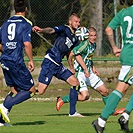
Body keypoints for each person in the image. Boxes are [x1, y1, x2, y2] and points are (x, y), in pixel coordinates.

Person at [56, 27, 124, 116]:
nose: (93, 37)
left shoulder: (93, 45)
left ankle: (111, 111)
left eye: (95, 35)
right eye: (91, 35)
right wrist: (73, 68)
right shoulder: (84, 45)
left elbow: (88, 57)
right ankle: (63, 99)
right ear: (88, 36)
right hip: (81, 73)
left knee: (105, 91)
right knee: (85, 96)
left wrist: (93, 68)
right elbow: (75, 55)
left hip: (89, 73)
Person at [32, 13, 88, 117]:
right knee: (40, 91)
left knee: (75, 82)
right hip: (50, 61)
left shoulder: (75, 39)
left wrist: (71, 67)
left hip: (58, 64)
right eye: (76, 21)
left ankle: (72, 112)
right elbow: (51, 30)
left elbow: (69, 54)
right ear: (70, 22)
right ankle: (22, 90)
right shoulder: (64, 29)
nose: (78, 24)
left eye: (79, 22)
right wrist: (41, 30)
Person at [92, 5, 133, 133]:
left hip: (127, 51)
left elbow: (109, 29)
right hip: (132, 55)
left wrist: (114, 47)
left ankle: (125, 116)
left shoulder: (124, 12)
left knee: (123, 87)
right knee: (121, 88)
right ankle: (101, 121)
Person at [0, 0, 36, 126]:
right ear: (26, 8)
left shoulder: (5, 23)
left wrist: (7, 50)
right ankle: (5, 106)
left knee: (15, 89)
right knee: (31, 90)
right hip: (16, 61)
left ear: (14, 8)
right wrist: (31, 60)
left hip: (4, 60)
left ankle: (0, 121)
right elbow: (27, 44)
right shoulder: (26, 23)